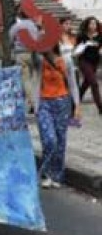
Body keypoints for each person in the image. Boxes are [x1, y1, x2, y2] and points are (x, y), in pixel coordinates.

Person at [34, 44, 81, 188]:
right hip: (44, 104)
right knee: (49, 140)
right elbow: (36, 80)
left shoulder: (66, 59)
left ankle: (57, 176)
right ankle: (46, 173)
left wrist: (77, 105)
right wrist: (36, 106)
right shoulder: (39, 59)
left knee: (60, 141)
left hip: (62, 103)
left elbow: (72, 83)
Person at [9, 9, 39, 112]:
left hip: (20, 54)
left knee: (25, 79)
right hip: (31, 53)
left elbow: (10, 38)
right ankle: (30, 100)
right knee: (32, 79)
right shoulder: (33, 26)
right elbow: (37, 39)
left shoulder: (17, 26)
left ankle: (32, 103)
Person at [74, 16, 102, 114]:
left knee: (86, 83)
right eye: (91, 23)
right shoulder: (82, 36)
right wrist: (83, 46)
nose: (93, 25)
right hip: (84, 61)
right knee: (94, 83)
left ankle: (76, 101)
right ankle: (100, 107)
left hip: (95, 62)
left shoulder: (100, 36)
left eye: (95, 23)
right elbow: (77, 48)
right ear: (87, 25)